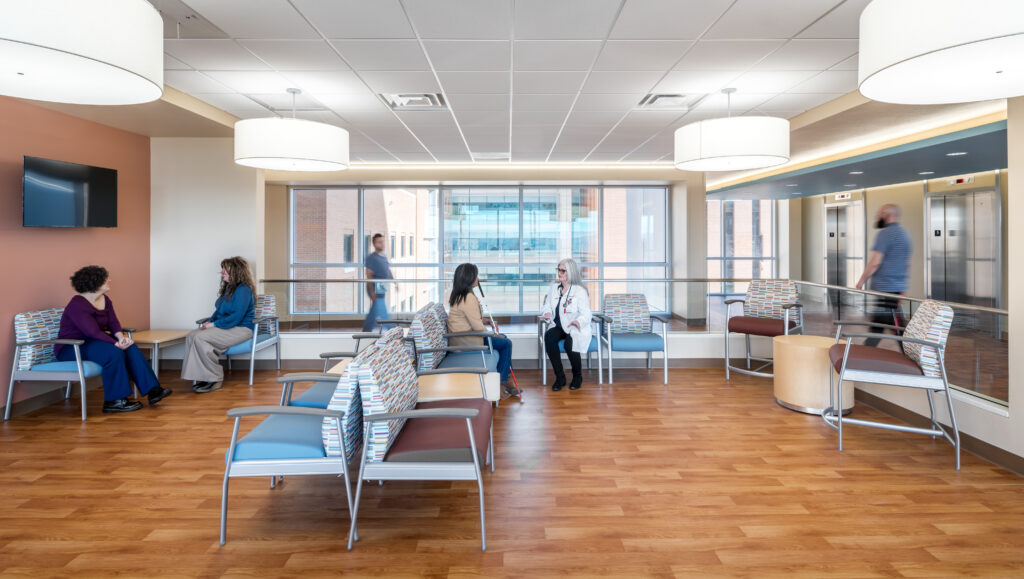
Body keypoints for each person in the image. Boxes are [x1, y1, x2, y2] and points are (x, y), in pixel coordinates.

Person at [55, 266, 171, 413]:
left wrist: (121, 338)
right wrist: (115, 344)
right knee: (113, 352)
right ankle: (114, 401)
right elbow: (92, 331)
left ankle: (153, 390)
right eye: (105, 278)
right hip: (73, 346)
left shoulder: (105, 299)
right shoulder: (77, 304)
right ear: (94, 283)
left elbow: (113, 323)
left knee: (130, 346)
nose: (109, 280)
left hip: (95, 342)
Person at [182, 257, 256, 393]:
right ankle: (205, 376)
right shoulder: (229, 288)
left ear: (236, 271)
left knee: (201, 338)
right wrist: (210, 320)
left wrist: (214, 324)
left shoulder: (244, 289)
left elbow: (236, 317)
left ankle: (215, 378)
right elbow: (220, 310)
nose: (221, 272)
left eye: (225, 269)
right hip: (228, 326)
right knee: (192, 335)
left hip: (241, 328)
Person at [447, 263, 516, 397]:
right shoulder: (468, 298)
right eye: (476, 275)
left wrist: (487, 321)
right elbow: (478, 327)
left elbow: (471, 320)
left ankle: (507, 380)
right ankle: (501, 384)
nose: (478, 278)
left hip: (465, 338)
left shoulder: (461, 295)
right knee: (506, 343)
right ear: (469, 278)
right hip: (467, 342)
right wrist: (494, 334)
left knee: (504, 338)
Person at [855, 203, 912, 347]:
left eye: (880, 213)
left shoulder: (884, 234)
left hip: (886, 288)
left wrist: (861, 281)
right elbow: (906, 264)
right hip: (895, 289)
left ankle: (912, 355)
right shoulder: (905, 235)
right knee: (883, 325)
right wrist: (903, 287)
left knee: (891, 327)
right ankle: (866, 353)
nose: (877, 216)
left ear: (889, 215)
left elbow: (875, 262)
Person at [540, 258, 592, 391]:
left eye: (563, 270)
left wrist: (578, 321)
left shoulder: (579, 291)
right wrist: (547, 313)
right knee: (549, 337)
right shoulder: (554, 288)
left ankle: (577, 376)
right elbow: (547, 305)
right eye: (558, 270)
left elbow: (586, 314)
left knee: (570, 343)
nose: (559, 273)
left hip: (574, 325)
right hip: (558, 325)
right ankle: (560, 377)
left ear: (571, 272)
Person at [363, 233, 392, 332]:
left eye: (382, 242)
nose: (382, 244)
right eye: (379, 242)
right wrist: (372, 291)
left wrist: (394, 280)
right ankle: (391, 330)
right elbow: (369, 275)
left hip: (382, 285)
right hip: (375, 286)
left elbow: (387, 269)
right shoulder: (372, 258)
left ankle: (366, 330)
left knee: (374, 311)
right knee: (382, 311)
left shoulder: (383, 255)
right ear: (374, 244)